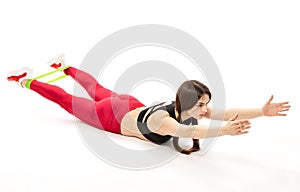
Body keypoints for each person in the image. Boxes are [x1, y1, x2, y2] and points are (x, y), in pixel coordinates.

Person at [7, 56, 291, 155]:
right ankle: (25, 81)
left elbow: (227, 113)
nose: (206, 110)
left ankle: (65, 66)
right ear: (191, 103)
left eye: (206, 105)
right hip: (112, 116)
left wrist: (261, 111)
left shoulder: (186, 108)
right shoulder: (165, 122)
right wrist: (225, 132)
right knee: (68, 101)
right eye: (203, 104)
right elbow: (193, 132)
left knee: (97, 88)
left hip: (131, 104)